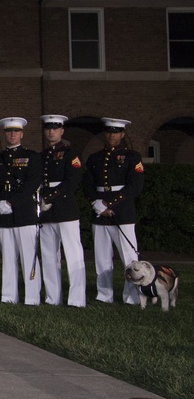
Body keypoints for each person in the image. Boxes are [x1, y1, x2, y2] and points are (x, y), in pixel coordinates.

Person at [83, 117, 144, 304]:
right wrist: (96, 203)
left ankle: (132, 296)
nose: (111, 135)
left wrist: (109, 203)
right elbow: (88, 184)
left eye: (116, 132)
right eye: (109, 132)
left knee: (129, 257)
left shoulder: (132, 157)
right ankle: (104, 295)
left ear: (122, 134)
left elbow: (135, 187)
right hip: (99, 212)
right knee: (101, 257)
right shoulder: (94, 158)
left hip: (122, 212)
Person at [0, 117, 42, 304]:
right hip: (3, 215)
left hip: (24, 213)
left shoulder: (32, 157)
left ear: (22, 134)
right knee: (7, 259)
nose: (12, 135)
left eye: (15, 132)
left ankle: (32, 297)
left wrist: (11, 202)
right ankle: (8, 297)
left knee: (29, 257)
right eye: (8, 132)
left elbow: (31, 185)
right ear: (5, 134)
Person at [38, 114, 86, 307]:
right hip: (47, 212)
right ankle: (52, 297)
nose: (51, 131)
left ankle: (76, 299)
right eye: (48, 128)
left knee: (73, 255)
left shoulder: (70, 153)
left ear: (62, 131)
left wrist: (50, 196)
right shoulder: (42, 156)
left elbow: (72, 181)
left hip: (65, 210)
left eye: (55, 128)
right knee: (49, 257)